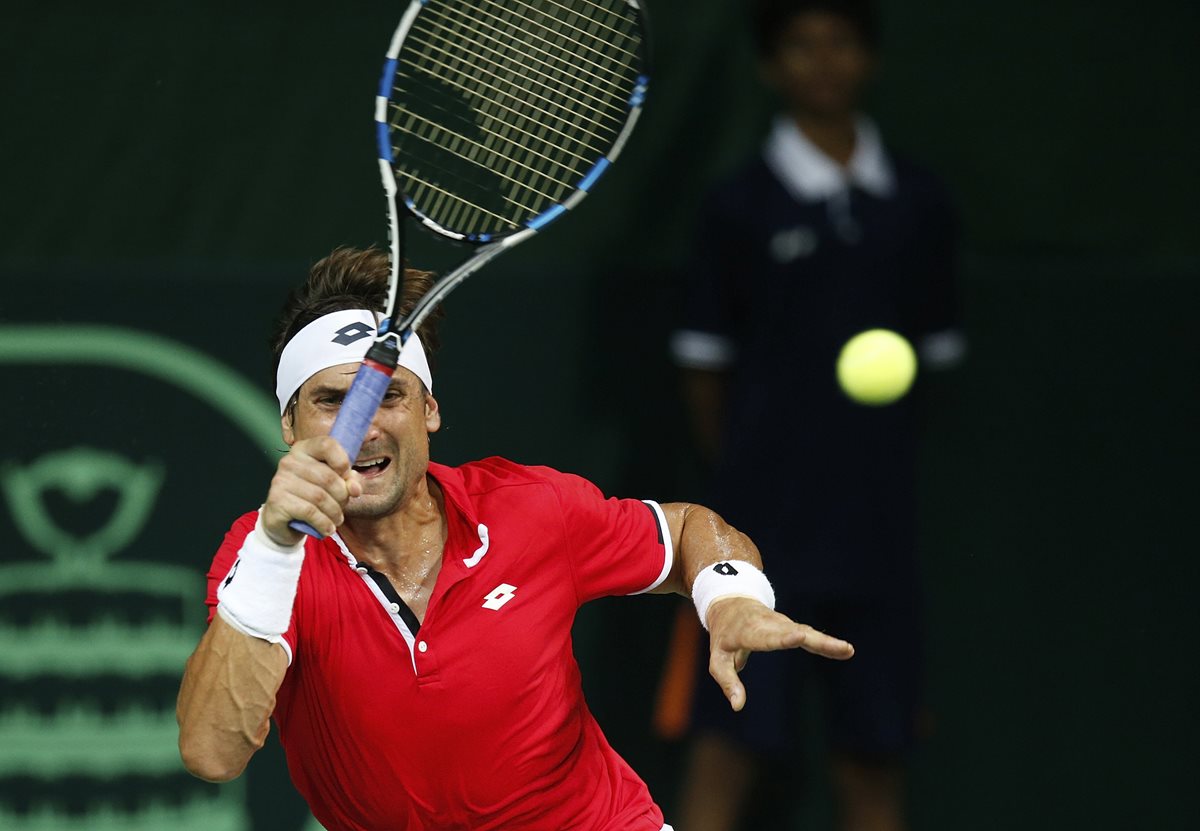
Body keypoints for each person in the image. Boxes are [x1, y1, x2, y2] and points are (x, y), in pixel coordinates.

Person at [175, 246, 856, 831]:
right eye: (332, 400)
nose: (364, 426)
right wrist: (274, 546)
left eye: (390, 396)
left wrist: (729, 597)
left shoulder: (531, 509)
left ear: (430, 409)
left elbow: (684, 531)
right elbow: (212, 751)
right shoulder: (263, 555)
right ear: (290, 427)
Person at [668, 2, 965, 831]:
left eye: (841, 42)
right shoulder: (737, 206)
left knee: (874, 758)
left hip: (877, 534)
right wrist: (751, 480)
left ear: (868, 59)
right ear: (771, 67)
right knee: (726, 746)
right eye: (801, 44)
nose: (822, 61)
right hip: (762, 535)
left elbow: (935, 369)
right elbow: (703, 373)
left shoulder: (918, 202)